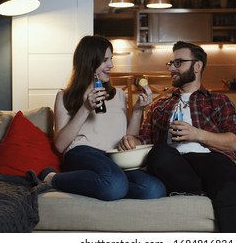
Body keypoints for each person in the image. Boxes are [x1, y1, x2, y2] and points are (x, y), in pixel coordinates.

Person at [118, 41, 236, 232]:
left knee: (223, 173)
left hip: (211, 160)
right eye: (171, 63)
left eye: (178, 63)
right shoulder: (160, 104)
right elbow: (144, 139)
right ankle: (206, 187)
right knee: (159, 153)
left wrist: (196, 134)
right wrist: (133, 138)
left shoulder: (218, 101)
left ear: (197, 66)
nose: (172, 68)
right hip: (175, 164)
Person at [38, 35, 166, 201]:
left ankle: (106, 184)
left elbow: (128, 138)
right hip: (82, 153)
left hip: (114, 157)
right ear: (89, 62)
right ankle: (52, 179)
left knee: (154, 189)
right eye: (105, 60)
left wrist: (137, 110)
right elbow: (60, 145)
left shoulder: (119, 95)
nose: (111, 65)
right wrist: (85, 108)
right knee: (115, 184)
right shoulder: (65, 96)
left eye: (111, 59)